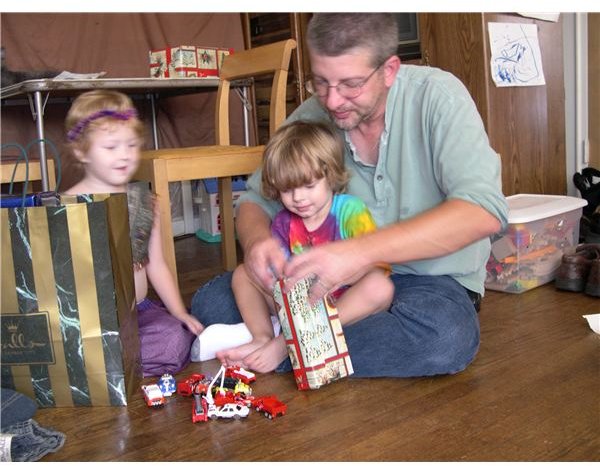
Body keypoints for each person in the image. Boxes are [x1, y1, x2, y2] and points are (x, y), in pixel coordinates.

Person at [191, 13, 509, 378]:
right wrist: (258, 241)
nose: (333, 99)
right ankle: (296, 342)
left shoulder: (438, 97)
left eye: (351, 84)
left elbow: (483, 210)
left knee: (444, 338)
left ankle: (277, 349)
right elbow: (254, 201)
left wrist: (359, 251)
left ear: (389, 70)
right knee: (211, 301)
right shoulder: (313, 114)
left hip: (428, 281)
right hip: (332, 282)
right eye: (321, 82)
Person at [217, 120, 394, 373]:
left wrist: (342, 274)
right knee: (243, 273)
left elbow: (377, 267)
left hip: (341, 304)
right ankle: (262, 338)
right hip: (300, 305)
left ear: (330, 176)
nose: (298, 198)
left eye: (309, 186)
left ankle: (286, 343)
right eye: (287, 190)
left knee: (381, 287)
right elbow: (279, 277)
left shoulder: (350, 211)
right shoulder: (283, 221)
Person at [64, 90, 204, 377]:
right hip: (88, 318)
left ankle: (110, 365)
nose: (124, 155)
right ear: (81, 151)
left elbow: (157, 265)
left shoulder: (145, 202)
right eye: (111, 147)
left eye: (131, 145)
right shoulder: (66, 205)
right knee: (73, 345)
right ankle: (104, 362)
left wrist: (178, 312)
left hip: (138, 314)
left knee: (173, 337)